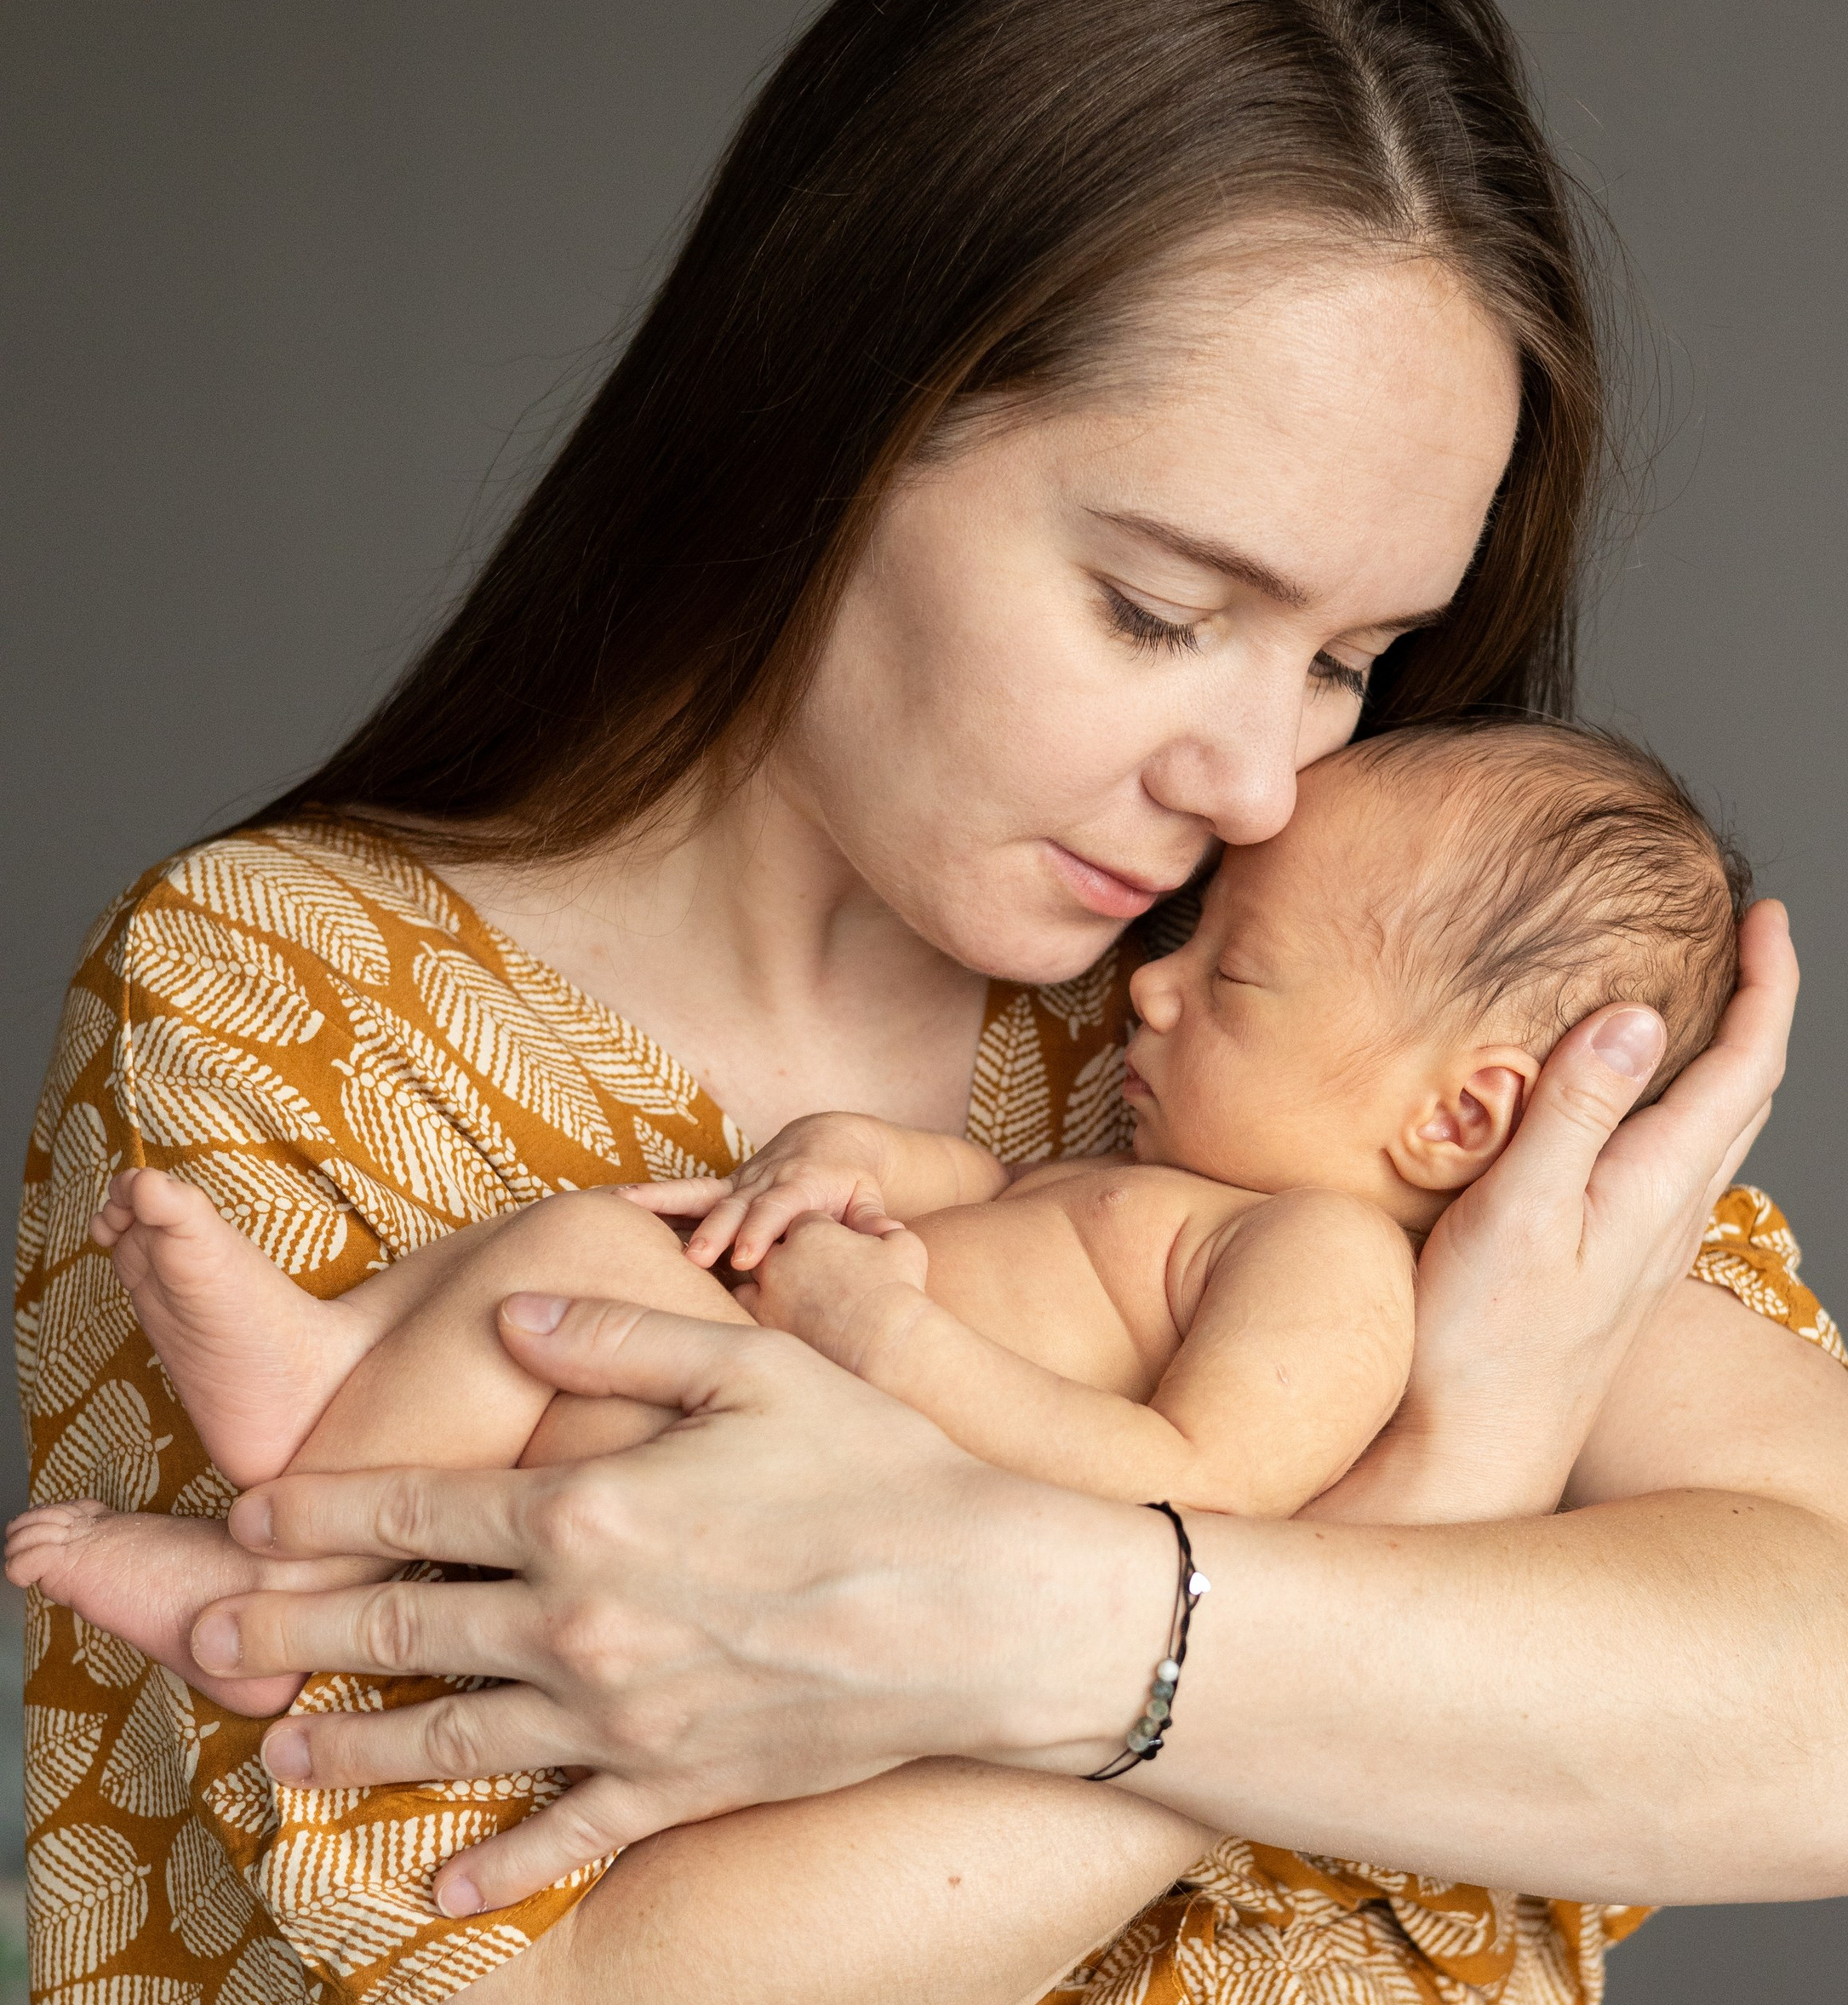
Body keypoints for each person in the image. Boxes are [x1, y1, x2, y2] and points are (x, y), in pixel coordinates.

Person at [14, 0, 1848, 2005]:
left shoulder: (1312, 987)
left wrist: (1039, 1620)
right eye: (1162, 604)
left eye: (1351, 651)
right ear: (834, 416)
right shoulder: (290, 1005)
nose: (1251, 767)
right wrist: (1427, 1506)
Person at [12, 715, 1753, 1704]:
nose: (1150, 990)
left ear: (1460, 1113)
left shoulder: (1323, 1267)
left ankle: (284, 1580)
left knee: (583, 1275)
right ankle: (323, 1388)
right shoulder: (1169, 1176)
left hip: (811, 1491)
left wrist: (893, 1338)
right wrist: (858, 1158)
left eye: (1234, 976)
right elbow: (996, 1195)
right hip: (740, 1400)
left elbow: (1197, 1493)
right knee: (575, 1254)